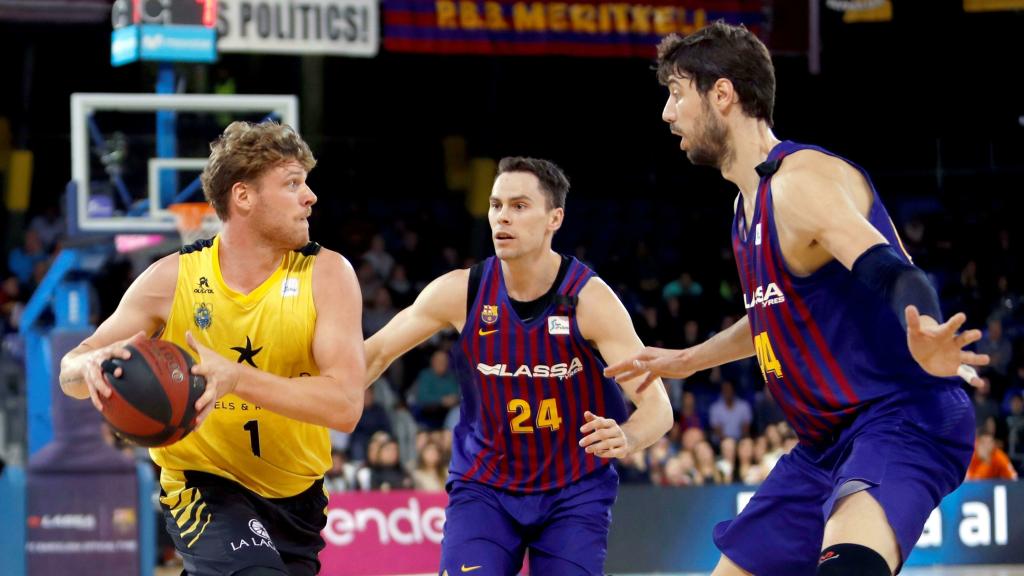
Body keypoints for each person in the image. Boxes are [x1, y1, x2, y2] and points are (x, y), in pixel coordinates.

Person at [606, 21, 990, 576]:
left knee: (846, 565)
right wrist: (689, 360)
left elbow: (890, 269)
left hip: (901, 414)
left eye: (675, 92)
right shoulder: (744, 209)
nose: (667, 113)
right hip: (823, 445)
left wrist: (925, 326)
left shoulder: (798, 182)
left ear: (722, 94)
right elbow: (770, 314)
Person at [58, 121, 365, 576]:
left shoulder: (328, 275)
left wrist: (237, 378)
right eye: (293, 184)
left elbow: (344, 406)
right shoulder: (172, 279)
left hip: (296, 498)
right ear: (243, 196)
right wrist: (92, 365)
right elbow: (70, 371)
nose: (310, 197)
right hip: (201, 484)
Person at [363, 157, 673, 576]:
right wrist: (296, 392)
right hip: (485, 486)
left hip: (573, 490)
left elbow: (658, 408)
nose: (502, 217)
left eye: (519, 205)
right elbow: (374, 354)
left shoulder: (590, 301)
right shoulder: (462, 291)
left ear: (554, 218)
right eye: (496, 205)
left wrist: (628, 437)